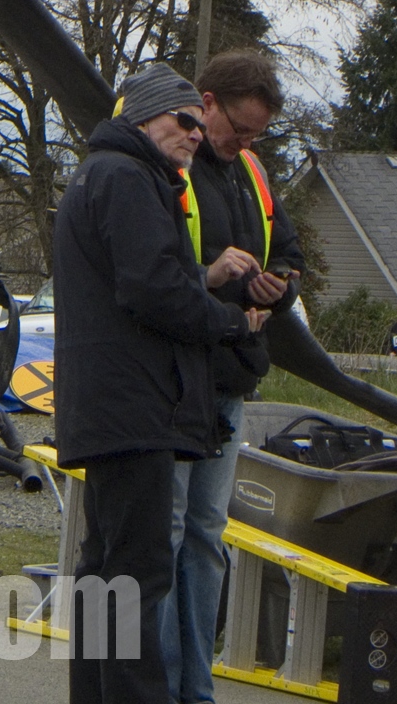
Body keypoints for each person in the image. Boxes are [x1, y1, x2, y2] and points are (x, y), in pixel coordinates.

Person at [55, 62, 267, 704]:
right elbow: (152, 287)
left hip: (112, 405)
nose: (196, 136)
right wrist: (231, 323)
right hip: (133, 406)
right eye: (185, 122)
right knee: (138, 573)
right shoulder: (126, 176)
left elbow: (147, 281)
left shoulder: (112, 174)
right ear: (145, 115)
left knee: (106, 571)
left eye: (201, 128)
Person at [162, 50, 301, 704]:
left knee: (206, 537)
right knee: (171, 531)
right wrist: (211, 273)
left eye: (254, 135)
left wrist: (280, 288)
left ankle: (197, 687)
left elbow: (290, 252)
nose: (243, 143)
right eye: (235, 129)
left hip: (232, 378)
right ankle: (162, 682)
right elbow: (148, 274)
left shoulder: (252, 173)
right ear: (206, 101)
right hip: (178, 373)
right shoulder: (173, 169)